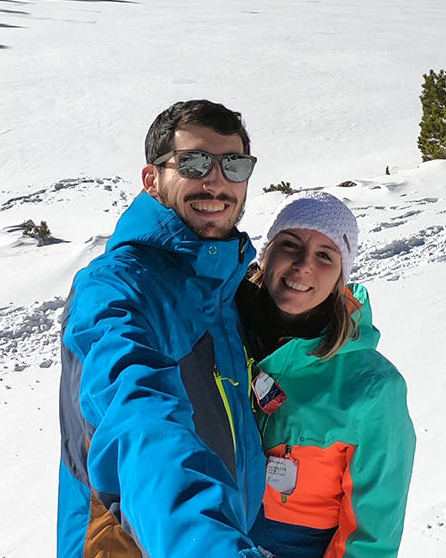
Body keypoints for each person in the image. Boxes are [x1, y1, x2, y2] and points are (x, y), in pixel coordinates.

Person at [57, 99, 268, 558]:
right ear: (152, 179)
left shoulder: (225, 285)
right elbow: (141, 423)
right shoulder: (114, 288)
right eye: (194, 162)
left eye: (234, 164)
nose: (216, 181)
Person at [238, 190, 416, 558]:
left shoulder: (373, 389)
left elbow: (371, 537)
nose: (304, 264)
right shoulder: (219, 336)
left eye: (325, 255)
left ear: (341, 276)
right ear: (266, 252)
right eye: (290, 244)